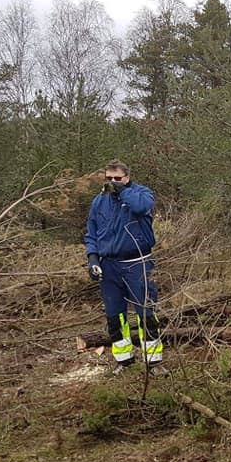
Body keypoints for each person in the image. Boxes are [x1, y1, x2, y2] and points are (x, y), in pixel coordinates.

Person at [84, 160, 164, 373]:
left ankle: (154, 361)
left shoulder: (141, 194)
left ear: (127, 177)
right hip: (109, 265)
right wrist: (92, 259)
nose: (112, 182)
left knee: (146, 312)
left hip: (137, 263)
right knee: (115, 315)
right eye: (109, 178)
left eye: (117, 178)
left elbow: (141, 207)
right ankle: (124, 360)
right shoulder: (99, 202)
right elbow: (91, 232)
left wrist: (122, 191)